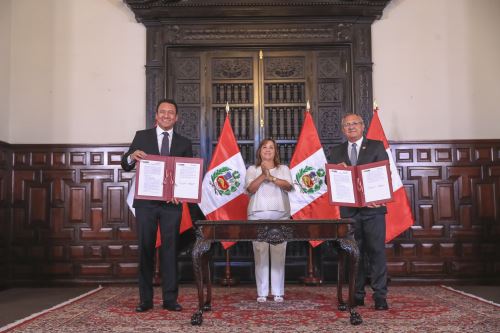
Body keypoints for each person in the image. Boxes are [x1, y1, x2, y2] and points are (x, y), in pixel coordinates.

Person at [121, 98, 193, 312]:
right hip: (146, 204)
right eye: (163, 112)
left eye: (171, 112)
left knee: (171, 251)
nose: (166, 115)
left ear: (176, 117)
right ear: (156, 115)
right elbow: (125, 165)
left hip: (172, 205)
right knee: (145, 250)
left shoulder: (184, 143)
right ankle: (146, 300)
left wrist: (179, 193)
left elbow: (188, 172)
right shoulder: (141, 136)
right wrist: (131, 156)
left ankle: (170, 299)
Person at [330, 113, 390, 310]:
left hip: (373, 210)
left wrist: (378, 197)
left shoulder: (376, 146)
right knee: (354, 254)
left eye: (355, 123)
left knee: (376, 252)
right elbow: (328, 180)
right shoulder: (336, 151)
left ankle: (380, 296)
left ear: (363, 126)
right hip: (350, 212)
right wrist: (337, 171)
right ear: (342, 129)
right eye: (347, 125)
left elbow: (384, 174)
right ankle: (357, 295)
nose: (351, 127)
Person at [245, 138, 293, 303]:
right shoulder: (252, 169)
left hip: (280, 215)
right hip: (257, 215)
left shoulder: (283, 168)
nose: (267, 150)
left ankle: (278, 292)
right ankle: (262, 293)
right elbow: (250, 189)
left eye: (271, 147)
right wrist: (262, 175)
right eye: (264, 147)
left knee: (279, 253)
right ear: (259, 151)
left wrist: (271, 178)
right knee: (260, 252)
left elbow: (288, 186)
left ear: (275, 151)